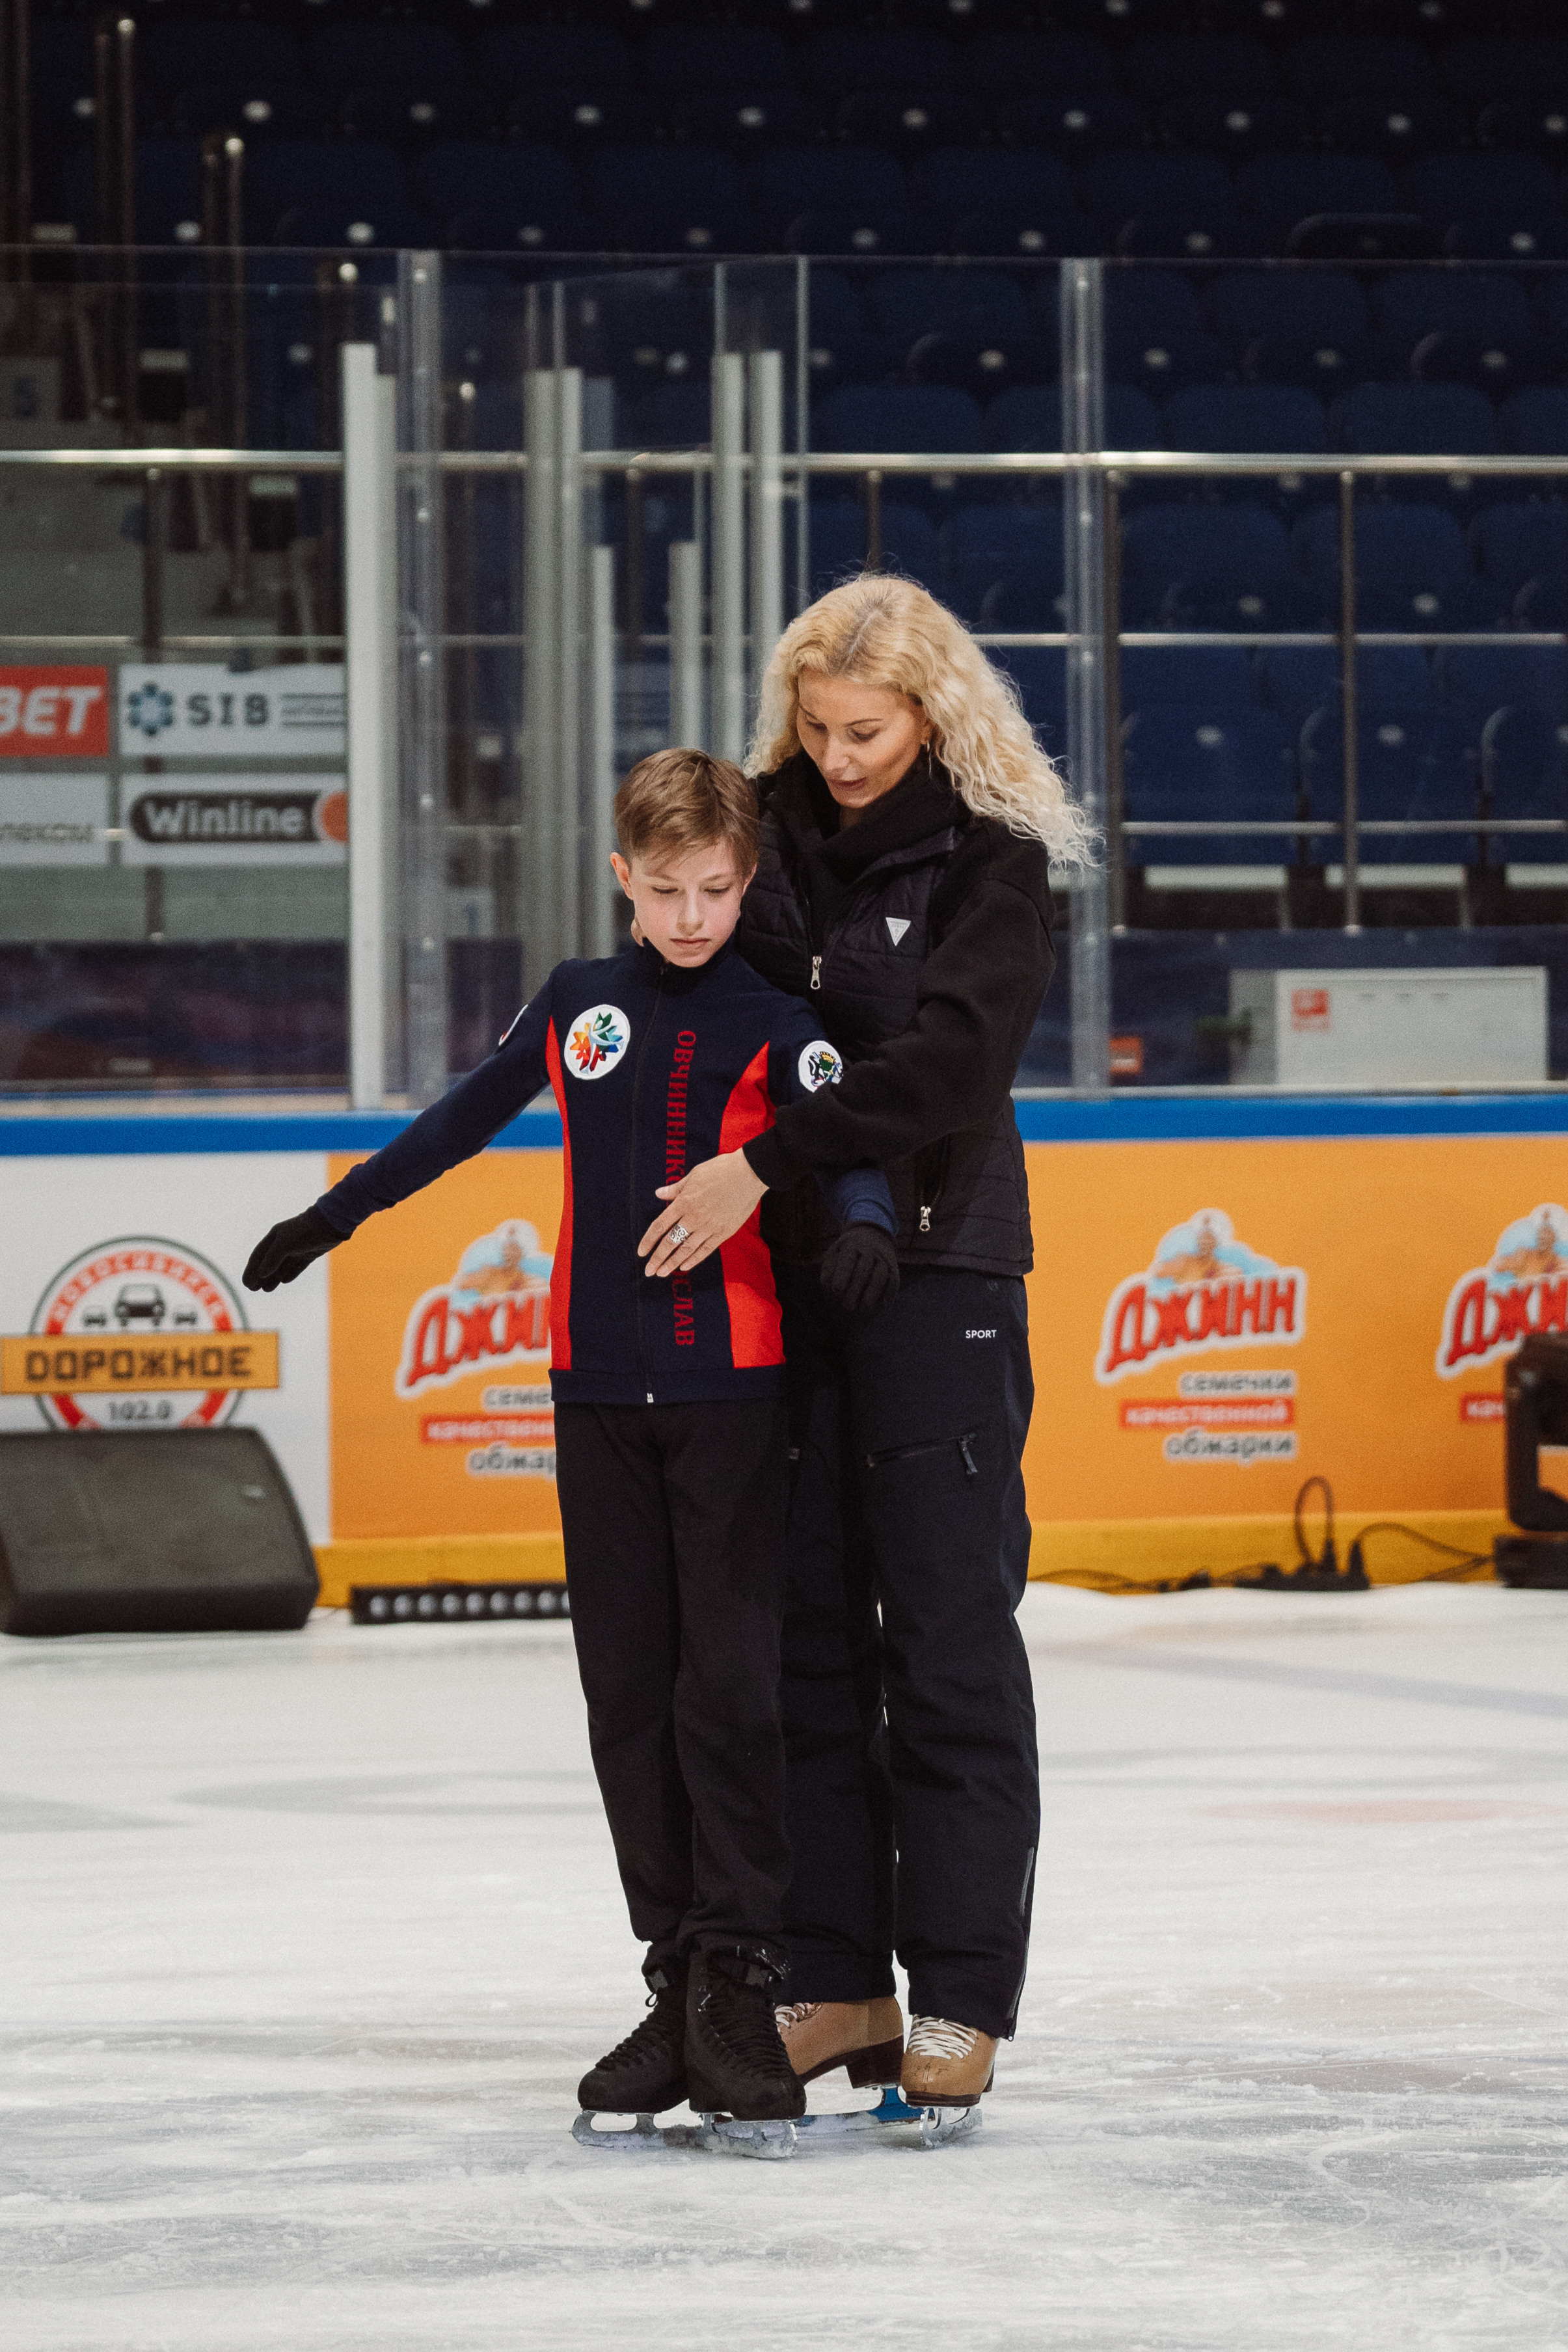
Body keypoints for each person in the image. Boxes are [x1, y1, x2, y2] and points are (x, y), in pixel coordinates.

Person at [242, 750, 896, 2133]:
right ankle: (675, 1978)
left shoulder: (783, 1019)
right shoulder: (576, 1003)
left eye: (716, 889)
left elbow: (844, 1147)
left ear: (745, 879)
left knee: (730, 1689)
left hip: (733, 1389)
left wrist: (866, 1235)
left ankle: (740, 1976)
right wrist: (335, 1215)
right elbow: (453, 1124)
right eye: (663, 890)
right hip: (592, 1389)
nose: (689, 916)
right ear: (621, 877)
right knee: (626, 1697)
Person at [637, 578, 1091, 2113]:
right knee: (800, 1643)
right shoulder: (757, 833)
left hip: (941, 1273)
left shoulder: (989, 856)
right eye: (819, 727)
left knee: (947, 1636)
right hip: (779, 1290)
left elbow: (948, 1063)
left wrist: (770, 1162)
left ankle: (959, 1992)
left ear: (930, 712)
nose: (838, 756)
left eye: (868, 729)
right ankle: (836, 1983)